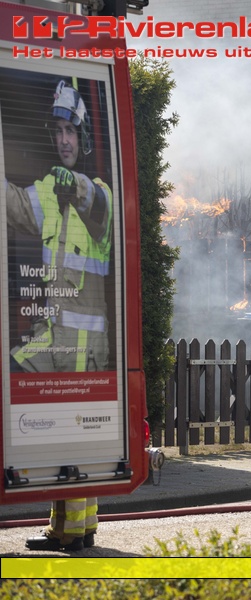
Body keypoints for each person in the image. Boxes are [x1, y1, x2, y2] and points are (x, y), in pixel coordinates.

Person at [4, 80, 111, 552]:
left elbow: (96, 205)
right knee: (67, 438)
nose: (63, 139)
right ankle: (74, 528)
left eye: (71, 131)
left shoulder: (101, 194)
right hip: (54, 341)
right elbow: (12, 203)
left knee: (75, 441)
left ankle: (73, 531)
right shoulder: (47, 191)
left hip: (84, 348)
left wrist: (79, 185)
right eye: (58, 131)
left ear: (82, 137)